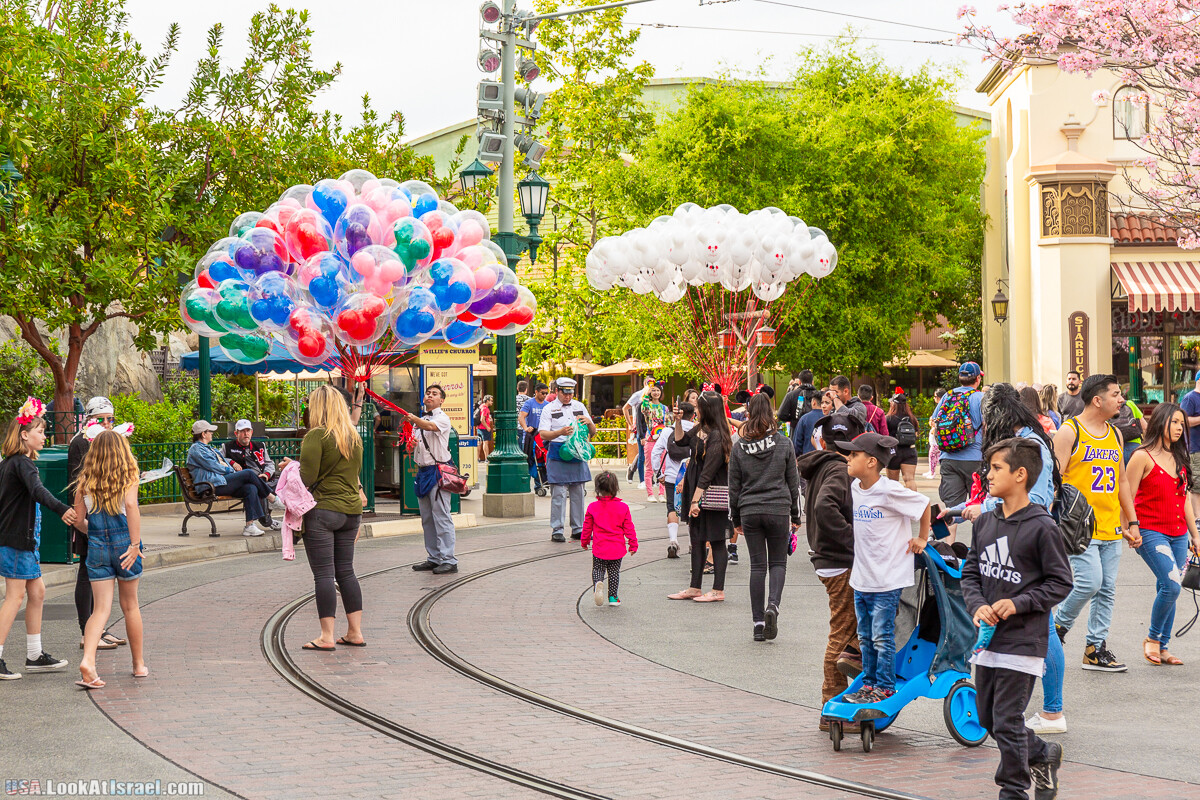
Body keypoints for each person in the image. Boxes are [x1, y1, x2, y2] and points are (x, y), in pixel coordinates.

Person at [948, 383, 1067, 735]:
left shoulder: (1029, 446)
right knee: (1039, 627)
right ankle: (1036, 714)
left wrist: (982, 509)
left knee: (1044, 628)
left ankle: (1052, 712)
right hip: (1013, 538)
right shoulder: (1026, 440)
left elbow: (1036, 500)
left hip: (1027, 542)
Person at [963, 438, 1072, 800]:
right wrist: (977, 605)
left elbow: (1061, 582)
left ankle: (1013, 791)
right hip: (988, 640)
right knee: (988, 719)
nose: (988, 474)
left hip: (1024, 641)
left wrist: (1019, 603)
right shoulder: (985, 522)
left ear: (1020, 475)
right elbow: (971, 573)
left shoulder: (1042, 527)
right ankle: (1041, 753)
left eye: (996, 468)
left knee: (1007, 719)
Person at [1052, 374, 1140, 672]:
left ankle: (1095, 649)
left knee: (1107, 589)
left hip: (1110, 525)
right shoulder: (1069, 431)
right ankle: (1057, 628)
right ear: (1097, 400)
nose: (1122, 400)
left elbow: (1122, 481)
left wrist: (1132, 521)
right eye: (1116, 394)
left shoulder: (1115, 434)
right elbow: (1054, 481)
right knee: (1090, 582)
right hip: (1079, 527)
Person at [836, 432, 931, 703]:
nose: (848, 458)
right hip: (862, 578)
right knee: (865, 637)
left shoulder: (889, 490)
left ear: (871, 462)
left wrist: (922, 538)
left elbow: (924, 504)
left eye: (854, 454)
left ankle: (885, 687)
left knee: (881, 636)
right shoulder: (855, 487)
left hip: (888, 579)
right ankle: (868, 684)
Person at [0, 401, 76, 680]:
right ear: (24, 435)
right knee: (15, 596)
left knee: (38, 592)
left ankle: (34, 655)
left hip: (21, 540)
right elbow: (38, 491)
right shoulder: (23, 464)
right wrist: (63, 509)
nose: (45, 436)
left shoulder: (10, 463)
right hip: (17, 541)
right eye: (40, 431)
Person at [799, 414, 866, 711]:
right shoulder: (840, 469)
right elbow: (825, 506)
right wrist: (854, 540)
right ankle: (832, 708)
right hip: (838, 559)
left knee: (848, 629)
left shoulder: (823, 465)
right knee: (841, 634)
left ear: (823, 442)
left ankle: (847, 692)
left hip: (829, 557)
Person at [1126, 403, 1200, 666]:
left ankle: (1163, 646)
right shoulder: (1141, 456)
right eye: (1174, 422)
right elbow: (1126, 495)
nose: (1180, 428)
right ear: (1160, 422)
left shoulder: (1180, 457)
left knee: (1168, 586)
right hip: (1150, 531)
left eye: (1182, 423)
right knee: (1171, 585)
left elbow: (1185, 499)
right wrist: (1129, 527)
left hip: (1178, 533)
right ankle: (1153, 638)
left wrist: (1195, 535)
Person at [73, 430, 147, 688]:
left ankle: (88, 661)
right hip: (125, 545)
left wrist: (94, 534)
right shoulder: (129, 476)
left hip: (97, 546)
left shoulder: (85, 480)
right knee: (130, 606)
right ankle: (138, 665)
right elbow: (131, 506)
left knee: (100, 610)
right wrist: (135, 544)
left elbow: (79, 520)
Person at [298, 384, 366, 650]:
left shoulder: (316, 436)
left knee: (324, 574)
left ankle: (326, 636)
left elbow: (307, 478)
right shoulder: (353, 437)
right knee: (346, 572)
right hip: (351, 512)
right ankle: (355, 632)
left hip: (323, 511)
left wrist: (291, 467)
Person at [729, 393, 801, 641]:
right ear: (771, 414)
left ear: (748, 414)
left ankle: (758, 624)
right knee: (778, 563)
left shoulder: (739, 447)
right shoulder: (784, 443)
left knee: (757, 567)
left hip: (749, 510)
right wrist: (796, 515)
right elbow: (793, 483)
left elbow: (734, 487)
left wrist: (735, 519)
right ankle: (773, 606)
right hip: (778, 508)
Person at [67, 397, 126, 652]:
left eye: (110, 419)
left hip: (105, 513)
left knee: (99, 575)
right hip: (89, 515)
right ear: (89, 419)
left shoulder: (108, 440)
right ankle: (86, 631)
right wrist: (82, 520)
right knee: (86, 571)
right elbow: (77, 483)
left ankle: (98, 628)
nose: (107, 423)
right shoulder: (81, 442)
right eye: (101, 419)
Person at [668, 391, 733, 602]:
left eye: (700, 407)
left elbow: (708, 473)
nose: (696, 410)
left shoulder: (718, 435)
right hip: (696, 488)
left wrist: (695, 500)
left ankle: (717, 590)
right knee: (696, 539)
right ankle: (694, 587)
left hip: (710, 492)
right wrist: (678, 421)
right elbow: (680, 441)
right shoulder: (701, 429)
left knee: (716, 541)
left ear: (708, 410)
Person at [186, 421, 281, 536]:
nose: (212, 433)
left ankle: (249, 526)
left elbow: (222, 461)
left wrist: (230, 467)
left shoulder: (208, 448)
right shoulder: (196, 449)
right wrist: (231, 471)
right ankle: (272, 498)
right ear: (203, 434)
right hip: (210, 485)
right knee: (249, 473)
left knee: (250, 487)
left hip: (219, 482)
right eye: (210, 431)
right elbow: (214, 466)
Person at [404, 385, 458, 574]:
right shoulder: (419, 422)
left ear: (441, 400)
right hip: (423, 471)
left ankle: (449, 559)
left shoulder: (442, 418)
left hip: (438, 472)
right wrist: (411, 445)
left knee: (442, 517)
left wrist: (414, 419)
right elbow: (411, 447)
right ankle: (434, 558)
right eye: (428, 393)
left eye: (434, 394)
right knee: (427, 519)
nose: (430, 396)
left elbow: (430, 427)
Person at [540, 378, 597, 543]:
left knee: (578, 492)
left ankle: (578, 529)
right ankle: (557, 529)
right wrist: (560, 432)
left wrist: (589, 423)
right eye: (564, 393)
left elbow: (593, 431)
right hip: (558, 451)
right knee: (558, 493)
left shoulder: (579, 406)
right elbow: (543, 434)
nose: (567, 397)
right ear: (557, 391)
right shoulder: (549, 409)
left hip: (577, 451)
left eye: (570, 393)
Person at [930, 362, 985, 533]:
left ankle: (944, 546)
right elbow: (987, 426)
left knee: (951, 510)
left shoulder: (948, 395)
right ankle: (981, 547)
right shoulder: (980, 397)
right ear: (978, 379)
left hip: (948, 458)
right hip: (975, 458)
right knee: (979, 506)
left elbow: (934, 421)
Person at [581, 471, 637, 607]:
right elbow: (629, 528)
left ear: (598, 488)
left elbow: (587, 527)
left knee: (597, 569)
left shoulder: (592, 507)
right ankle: (613, 597)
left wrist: (585, 541)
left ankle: (597, 585)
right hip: (617, 548)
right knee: (614, 572)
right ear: (616, 488)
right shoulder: (623, 507)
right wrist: (633, 544)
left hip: (599, 547)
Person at [651, 401, 694, 559]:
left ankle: (673, 541)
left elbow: (656, 453)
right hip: (691, 476)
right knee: (692, 508)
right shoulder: (696, 430)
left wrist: (659, 474)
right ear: (693, 416)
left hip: (671, 476)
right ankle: (693, 543)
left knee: (672, 508)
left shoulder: (667, 431)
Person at [223, 419, 287, 491]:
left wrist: (266, 474)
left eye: (248, 431)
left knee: (283, 483)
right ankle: (271, 496)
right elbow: (217, 458)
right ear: (236, 433)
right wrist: (232, 462)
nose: (246, 434)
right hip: (243, 483)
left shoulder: (260, 445)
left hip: (262, 479)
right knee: (253, 489)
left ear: (251, 432)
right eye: (242, 431)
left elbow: (269, 463)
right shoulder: (227, 446)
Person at [640, 383, 671, 502]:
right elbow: (643, 409)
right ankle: (650, 494)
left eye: (658, 390)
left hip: (662, 440)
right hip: (650, 439)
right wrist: (647, 393)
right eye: (653, 390)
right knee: (649, 467)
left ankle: (662, 494)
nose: (656, 393)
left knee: (663, 467)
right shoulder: (647, 406)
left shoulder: (665, 408)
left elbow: (668, 424)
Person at [623, 376, 656, 487]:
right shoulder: (638, 395)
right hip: (640, 427)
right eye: (650, 383)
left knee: (650, 453)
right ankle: (643, 480)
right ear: (645, 383)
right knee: (643, 455)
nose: (652, 386)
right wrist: (630, 424)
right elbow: (625, 408)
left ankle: (633, 469)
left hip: (652, 429)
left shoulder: (654, 395)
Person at [885, 392, 920, 489]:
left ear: (893, 404)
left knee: (892, 483)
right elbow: (916, 435)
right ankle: (912, 498)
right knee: (910, 480)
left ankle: (895, 499)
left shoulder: (888, 418)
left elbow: (885, 435)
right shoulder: (912, 419)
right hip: (910, 451)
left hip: (894, 452)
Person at [1181, 375, 1200, 519]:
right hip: (1195, 448)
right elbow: (1183, 420)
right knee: (1197, 485)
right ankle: (1197, 519)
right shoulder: (1190, 398)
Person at [924, 387, 948, 479]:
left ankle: (932, 472)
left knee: (933, 454)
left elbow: (935, 420)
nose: (934, 398)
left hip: (938, 434)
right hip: (937, 434)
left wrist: (933, 423)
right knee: (935, 454)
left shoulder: (942, 407)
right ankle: (931, 471)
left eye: (935, 396)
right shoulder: (942, 407)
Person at [1112, 397, 1145, 464]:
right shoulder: (1129, 403)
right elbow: (1145, 427)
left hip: (1115, 448)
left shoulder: (1108, 406)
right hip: (1135, 446)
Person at [793, 390, 825, 457]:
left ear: (814, 402)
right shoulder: (829, 417)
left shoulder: (804, 419)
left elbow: (797, 443)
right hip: (826, 457)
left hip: (808, 457)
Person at [476, 395, 494, 462]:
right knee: (485, 442)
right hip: (484, 428)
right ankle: (486, 458)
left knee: (479, 443)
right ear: (487, 401)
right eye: (491, 401)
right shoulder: (485, 408)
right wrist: (487, 427)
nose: (492, 402)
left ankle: (478, 458)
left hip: (479, 427)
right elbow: (482, 419)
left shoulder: (481, 406)